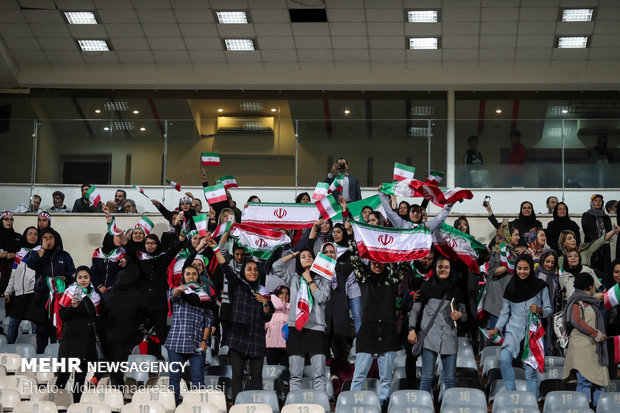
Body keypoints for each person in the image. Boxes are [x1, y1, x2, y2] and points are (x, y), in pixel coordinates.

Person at [345, 222, 407, 407]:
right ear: (370, 263)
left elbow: (402, 263)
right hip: (368, 331)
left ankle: (382, 406)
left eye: (380, 261)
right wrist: (350, 234)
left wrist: (401, 240)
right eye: (374, 261)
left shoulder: (393, 279)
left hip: (388, 331)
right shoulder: (364, 278)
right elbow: (355, 258)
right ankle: (352, 406)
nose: (377, 265)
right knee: (359, 376)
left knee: (386, 377)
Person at [213, 243, 273, 401]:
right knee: (237, 374)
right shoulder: (237, 285)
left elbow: (268, 316)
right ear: (243, 272)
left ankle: (257, 406)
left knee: (257, 377)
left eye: (255, 269)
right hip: (238, 336)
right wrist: (216, 249)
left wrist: (264, 302)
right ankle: (238, 405)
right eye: (249, 269)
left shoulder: (263, 291)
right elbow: (225, 267)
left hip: (257, 340)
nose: (253, 272)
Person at [488, 255, 551, 397]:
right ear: (515, 268)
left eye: (526, 268)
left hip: (533, 333)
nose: (522, 272)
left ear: (531, 269)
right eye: (519, 268)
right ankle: (511, 396)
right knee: (504, 359)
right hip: (513, 331)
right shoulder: (510, 287)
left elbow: (549, 310)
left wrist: (540, 310)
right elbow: (505, 312)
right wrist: (497, 329)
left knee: (530, 373)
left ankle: (531, 404)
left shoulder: (540, 286)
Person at [272, 249, 331, 392]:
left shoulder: (323, 278)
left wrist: (310, 280)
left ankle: (319, 406)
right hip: (296, 328)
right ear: (299, 261)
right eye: (303, 257)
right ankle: (294, 405)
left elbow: (321, 298)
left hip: (316, 328)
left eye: (310, 256)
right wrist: (293, 255)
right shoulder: (293, 278)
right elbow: (276, 267)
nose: (307, 258)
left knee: (319, 375)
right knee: (295, 376)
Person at [408, 257, 466, 395]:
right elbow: (415, 310)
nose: (443, 270)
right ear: (435, 268)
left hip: (449, 339)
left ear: (450, 269)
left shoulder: (457, 289)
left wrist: (460, 315)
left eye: (446, 267)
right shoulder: (426, 286)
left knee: (450, 379)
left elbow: (465, 314)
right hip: (429, 338)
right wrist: (411, 329)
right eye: (440, 267)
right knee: (427, 377)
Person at [165, 265, 213, 403]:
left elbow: (208, 321)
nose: (191, 276)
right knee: (174, 379)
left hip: (196, 344)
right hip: (176, 343)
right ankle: (172, 407)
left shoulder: (204, 296)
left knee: (198, 379)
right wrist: (181, 288)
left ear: (198, 276)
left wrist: (204, 340)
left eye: (194, 274)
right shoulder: (178, 293)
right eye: (188, 274)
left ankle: (197, 407)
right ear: (183, 277)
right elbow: (172, 294)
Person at [96, 263, 147, 388]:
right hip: (128, 338)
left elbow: (101, 315)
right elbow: (144, 315)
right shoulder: (137, 295)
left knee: (115, 369)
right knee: (123, 367)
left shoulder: (107, 294)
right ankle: (121, 392)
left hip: (109, 338)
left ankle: (115, 390)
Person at [563, 273, 609, 409]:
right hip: (582, 348)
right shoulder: (577, 301)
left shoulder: (589, 301)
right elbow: (576, 321)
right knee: (584, 382)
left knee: (598, 382)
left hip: (594, 348)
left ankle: (598, 409)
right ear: (590, 286)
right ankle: (582, 410)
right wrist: (596, 333)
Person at [25, 228, 75, 353]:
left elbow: (72, 273)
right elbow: (31, 264)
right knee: (41, 332)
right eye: (45, 238)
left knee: (56, 331)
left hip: (59, 297)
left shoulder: (64, 255)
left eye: (51, 238)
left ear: (55, 239)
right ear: (41, 240)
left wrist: (65, 278)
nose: (48, 240)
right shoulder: (38, 254)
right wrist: (42, 249)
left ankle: (57, 359)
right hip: (41, 298)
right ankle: (41, 359)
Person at [55, 266, 101, 402]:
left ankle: (76, 404)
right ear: (76, 279)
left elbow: (97, 318)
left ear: (90, 278)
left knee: (81, 378)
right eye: (80, 277)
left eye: (86, 277)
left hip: (87, 343)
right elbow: (62, 315)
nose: (83, 280)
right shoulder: (70, 292)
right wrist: (72, 308)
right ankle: (57, 403)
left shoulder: (96, 296)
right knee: (63, 375)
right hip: (71, 342)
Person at [398, 249, 433, 389]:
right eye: (425, 258)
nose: (427, 262)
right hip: (410, 321)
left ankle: (427, 388)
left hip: (429, 321)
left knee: (429, 355)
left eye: (430, 259)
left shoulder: (435, 274)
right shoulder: (409, 272)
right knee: (411, 355)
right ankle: (411, 387)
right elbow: (400, 293)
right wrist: (410, 295)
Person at [484, 223, 526, 328]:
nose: (519, 237)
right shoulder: (498, 251)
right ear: (508, 235)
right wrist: (507, 266)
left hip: (511, 300)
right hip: (498, 302)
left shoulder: (513, 252)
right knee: (497, 336)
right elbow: (492, 272)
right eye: (516, 235)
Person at [4, 226, 39, 343]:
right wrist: (8, 292)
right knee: (13, 322)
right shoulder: (19, 253)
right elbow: (13, 274)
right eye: (30, 234)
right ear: (25, 236)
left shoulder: (41, 252)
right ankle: (8, 347)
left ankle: (36, 349)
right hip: (19, 294)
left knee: (35, 323)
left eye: (35, 234)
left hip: (34, 293)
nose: (33, 236)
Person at [535, 250, 560, 355]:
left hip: (551, 313)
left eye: (552, 262)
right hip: (538, 313)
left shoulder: (554, 277)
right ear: (542, 260)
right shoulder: (536, 274)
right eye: (547, 261)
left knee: (549, 336)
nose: (550, 265)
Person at [582, 194, 613, 277]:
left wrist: (603, 242)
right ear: (592, 203)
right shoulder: (586, 215)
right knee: (592, 268)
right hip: (591, 245)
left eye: (600, 201)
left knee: (605, 268)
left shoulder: (606, 217)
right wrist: (597, 242)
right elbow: (587, 230)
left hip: (605, 246)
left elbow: (609, 231)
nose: (598, 202)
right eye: (596, 201)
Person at [265, 285, 290, 366]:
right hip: (272, 346)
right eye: (282, 293)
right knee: (271, 370)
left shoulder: (291, 309)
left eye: (287, 293)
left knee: (285, 371)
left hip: (286, 347)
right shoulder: (271, 308)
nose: (284, 295)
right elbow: (265, 322)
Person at [605, 260, 620, 379]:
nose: (619, 275)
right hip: (610, 338)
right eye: (616, 272)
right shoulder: (606, 290)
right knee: (612, 374)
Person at [0, 212, 21, 295]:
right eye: (6, 219)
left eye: (11, 219)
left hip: (12, 274)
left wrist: (14, 255)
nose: (9, 221)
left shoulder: (18, 237)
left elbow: (25, 253)